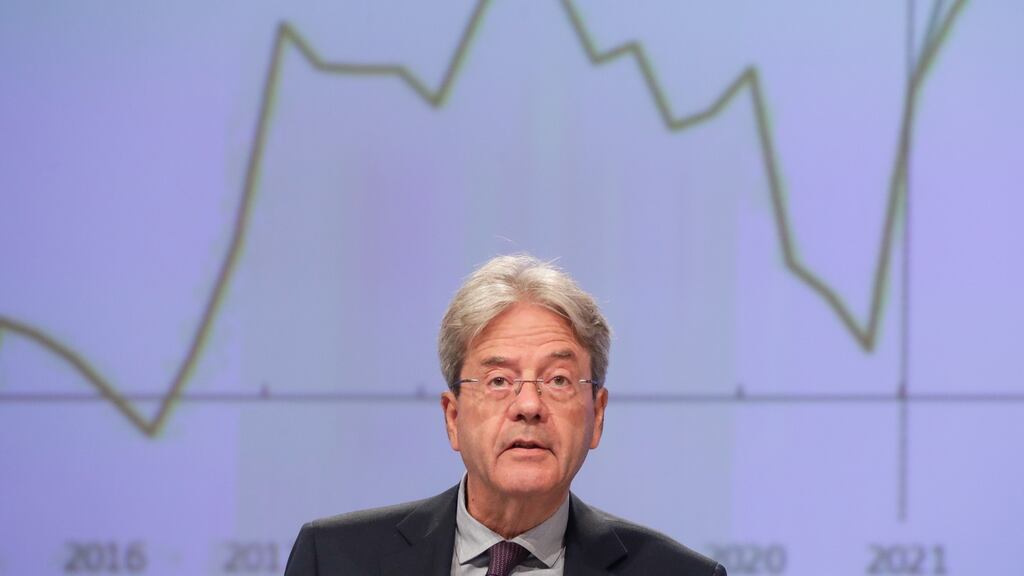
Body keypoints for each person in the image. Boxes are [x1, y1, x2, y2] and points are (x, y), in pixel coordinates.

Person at [284, 254, 726, 575]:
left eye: (558, 380)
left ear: (598, 414)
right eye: (498, 381)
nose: (529, 406)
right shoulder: (335, 559)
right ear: (452, 417)